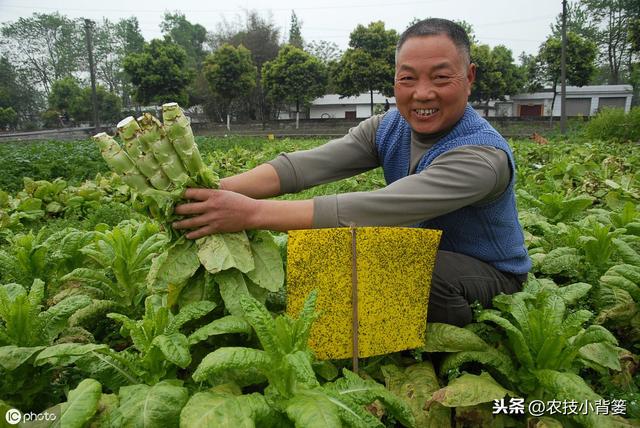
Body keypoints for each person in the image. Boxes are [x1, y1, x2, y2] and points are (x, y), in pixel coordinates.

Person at [173, 18, 531, 327]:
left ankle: (456, 338)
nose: (423, 93)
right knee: (347, 254)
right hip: (428, 247)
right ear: (395, 80)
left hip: (490, 272)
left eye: (440, 77)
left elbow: (376, 209)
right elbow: (306, 166)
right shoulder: (390, 127)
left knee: (407, 268)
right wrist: (212, 190)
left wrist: (250, 214)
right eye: (408, 78)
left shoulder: (481, 157)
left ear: (469, 77)